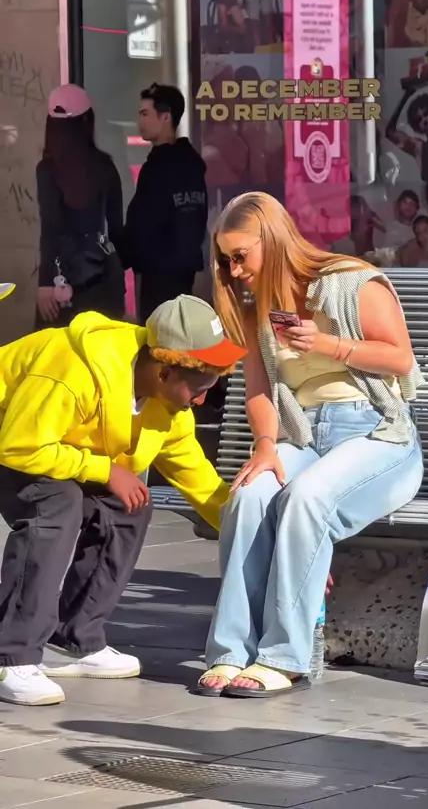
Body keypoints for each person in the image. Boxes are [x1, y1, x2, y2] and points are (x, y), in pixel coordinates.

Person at [196, 192, 424, 698]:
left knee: (307, 498)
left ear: (272, 240)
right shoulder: (257, 307)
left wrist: (326, 344)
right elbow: (259, 391)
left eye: (241, 257)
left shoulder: (351, 281)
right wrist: (264, 445)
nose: (235, 271)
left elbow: (401, 358)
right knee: (250, 496)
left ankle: (286, 656)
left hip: (377, 434)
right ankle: (231, 651)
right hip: (303, 435)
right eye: (226, 261)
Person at [0, 295, 246, 706]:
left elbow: (203, 485)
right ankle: (12, 655)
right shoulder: (72, 369)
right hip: (12, 440)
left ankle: (72, 639)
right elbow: (19, 446)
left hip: (53, 452)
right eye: (201, 389)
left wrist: (265, 543)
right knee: (57, 504)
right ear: (165, 372)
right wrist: (106, 470)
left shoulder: (168, 408)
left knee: (130, 504)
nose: (202, 401)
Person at [36, 85, 126, 327]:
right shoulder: (106, 166)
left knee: (57, 347)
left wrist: (45, 283)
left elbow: (51, 228)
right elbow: (117, 230)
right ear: (87, 122)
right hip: (103, 278)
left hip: (62, 283)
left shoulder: (47, 170)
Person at [123, 83, 208, 324]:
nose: (140, 121)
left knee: (157, 336)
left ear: (166, 117)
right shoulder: (192, 164)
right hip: (185, 272)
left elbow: (143, 224)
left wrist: (124, 253)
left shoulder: (159, 169)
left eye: (145, 113)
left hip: (158, 275)